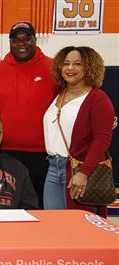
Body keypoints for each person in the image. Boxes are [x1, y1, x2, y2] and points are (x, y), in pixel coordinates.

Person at [0, 21, 56, 209]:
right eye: (16, 39)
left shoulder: (52, 68)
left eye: (26, 38)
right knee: (7, 203)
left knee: (40, 205)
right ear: (10, 42)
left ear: (35, 40)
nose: (22, 43)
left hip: (43, 153)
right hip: (6, 151)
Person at [42, 46, 114, 217]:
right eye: (66, 63)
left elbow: (102, 140)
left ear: (89, 67)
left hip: (79, 170)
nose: (70, 68)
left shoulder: (98, 99)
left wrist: (84, 173)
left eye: (77, 64)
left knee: (81, 227)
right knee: (54, 226)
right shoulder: (58, 95)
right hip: (53, 167)